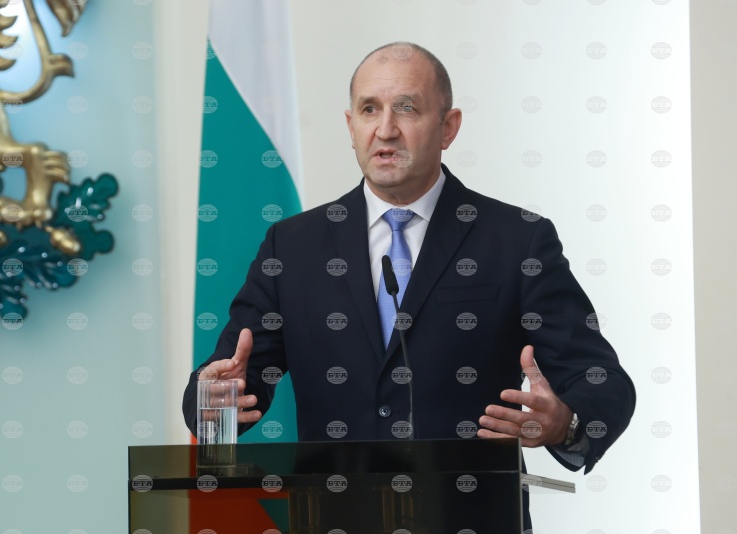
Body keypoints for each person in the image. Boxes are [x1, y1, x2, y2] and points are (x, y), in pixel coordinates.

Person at [183, 41, 636, 529]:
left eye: (407, 108)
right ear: (350, 126)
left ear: (449, 127)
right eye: (369, 109)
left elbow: (602, 379)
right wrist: (216, 401)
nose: (385, 129)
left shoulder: (517, 240)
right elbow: (229, 379)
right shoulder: (292, 247)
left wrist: (564, 422)